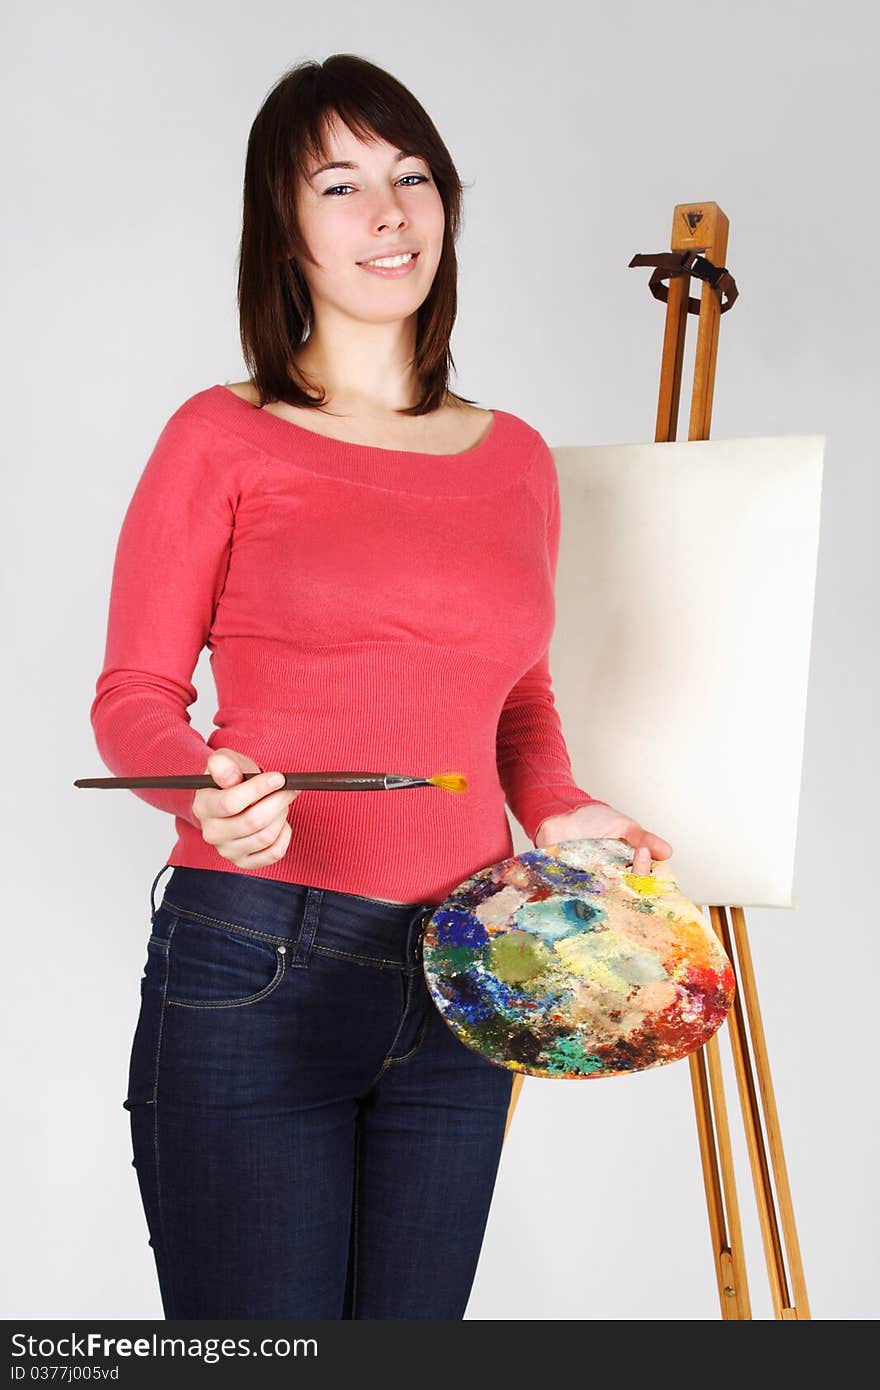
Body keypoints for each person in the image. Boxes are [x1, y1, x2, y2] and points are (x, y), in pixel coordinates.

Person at [91, 53, 673, 1320]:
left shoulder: (513, 455)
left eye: (412, 177)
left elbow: (516, 699)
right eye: (342, 185)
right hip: (258, 957)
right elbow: (133, 694)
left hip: (471, 969)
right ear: (286, 230)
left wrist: (560, 808)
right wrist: (203, 791)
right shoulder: (221, 434)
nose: (389, 213)